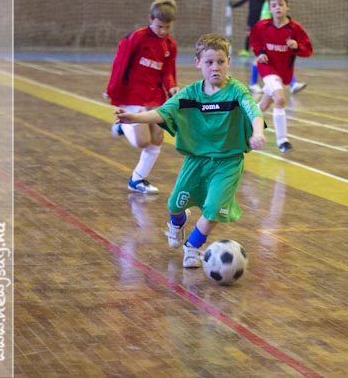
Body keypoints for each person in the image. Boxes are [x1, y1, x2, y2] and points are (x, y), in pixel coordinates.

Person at [113, 33, 266, 268]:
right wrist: (133, 117)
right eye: (209, 62)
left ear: (228, 62)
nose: (215, 67)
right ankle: (178, 222)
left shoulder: (237, 92)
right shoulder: (189, 94)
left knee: (214, 209)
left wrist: (258, 132)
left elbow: (253, 111)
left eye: (221, 61)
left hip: (228, 162)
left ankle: (193, 247)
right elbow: (162, 112)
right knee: (174, 205)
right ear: (197, 63)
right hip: (196, 161)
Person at [103, 0, 179, 194]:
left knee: (158, 137)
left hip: (155, 95)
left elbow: (168, 71)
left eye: (167, 27)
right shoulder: (137, 38)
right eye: (159, 26)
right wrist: (112, 89)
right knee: (142, 141)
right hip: (133, 95)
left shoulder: (170, 45)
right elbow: (120, 63)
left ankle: (137, 180)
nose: (163, 31)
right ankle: (122, 126)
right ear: (150, 19)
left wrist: (172, 86)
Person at [250, 0, 313, 153]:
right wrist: (260, 53)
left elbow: (308, 50)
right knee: (280, 99)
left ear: (287, 7)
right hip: (267, 68)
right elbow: (254, 40)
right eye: (274, 5)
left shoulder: (295, 28)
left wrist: (297, 47)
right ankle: (282, 141)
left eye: (280, 4)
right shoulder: (262, 26)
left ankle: (244, 119)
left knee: (264, 105)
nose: (277, 8)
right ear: (270, 8)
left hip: (283, 72)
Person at [249, 0, 308, 95]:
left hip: (274, 36)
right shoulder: (267, 6)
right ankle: (253, 83)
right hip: (266, 37)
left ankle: (291, 84)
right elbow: (265, 21)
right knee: (260, 58)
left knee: (282, 60)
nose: (277, 7)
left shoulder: (291, 23)